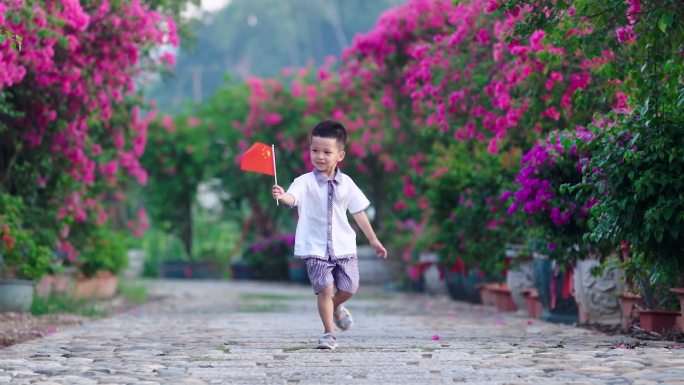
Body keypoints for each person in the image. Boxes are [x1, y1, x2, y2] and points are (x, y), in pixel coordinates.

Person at [272, 120, 388, 350]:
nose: (320, 156)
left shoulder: (347, 183)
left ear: (340, 155)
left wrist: (373, 240)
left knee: (349, 287)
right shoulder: (303, 182)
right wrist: (282, 195)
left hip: (343, 246)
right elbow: (292, 199)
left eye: (327, 152)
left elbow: (359, 212)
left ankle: (336, 307)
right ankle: (328, 333)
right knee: (324, 288)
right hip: (315, 248)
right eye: (315, 150)